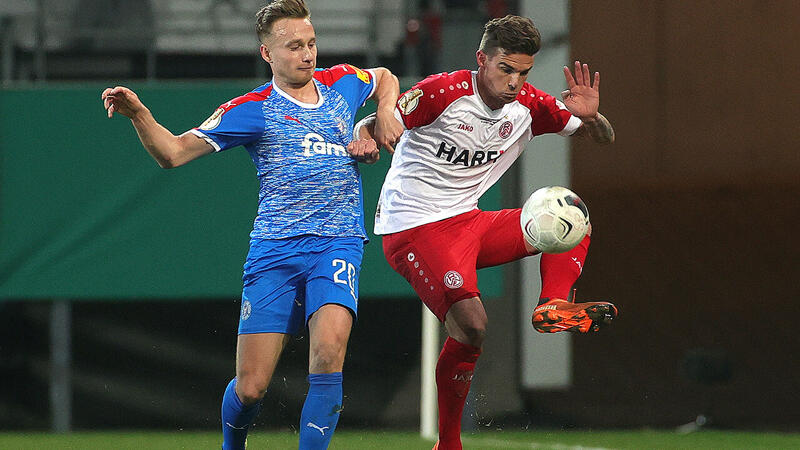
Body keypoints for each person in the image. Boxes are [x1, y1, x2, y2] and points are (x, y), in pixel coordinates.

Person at [101, 1, 402, 448]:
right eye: (294, 46)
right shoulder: (252, 109)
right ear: (267, 53)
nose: (307, 54)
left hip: (337, 243)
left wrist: (386, 112)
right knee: (251, 389)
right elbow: (173, 154)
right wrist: (140, 115)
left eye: (311, 43)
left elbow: (385, 77)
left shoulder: (341, 82)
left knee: (328, 354)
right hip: (275, 252)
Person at [356, 15, 616, 450]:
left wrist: (593, 118)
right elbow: (374, 121)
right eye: (505, 69)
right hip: (414, 227)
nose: (514, 82)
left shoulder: (529, 104)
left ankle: (553, 304)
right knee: (472, 325)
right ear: (482, 59)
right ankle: (449, 443)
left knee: (570, 217)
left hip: (468, 221)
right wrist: (366, 136)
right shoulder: (442, 92)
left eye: (523, 72)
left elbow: (602, 138)